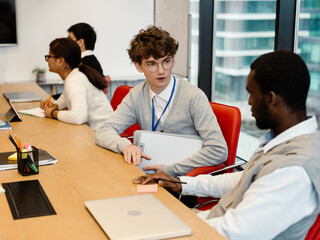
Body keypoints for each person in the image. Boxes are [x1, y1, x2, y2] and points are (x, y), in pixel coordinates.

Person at [135, 50, 320, 240]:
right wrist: (182, 184)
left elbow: (234, 232)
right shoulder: (288, 142)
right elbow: (244, 178)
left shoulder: (293, 171)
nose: (248, 102)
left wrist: (173, 223)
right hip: (211, 222)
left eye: (251, 94)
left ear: (270, 99)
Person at [95, 26, 227, 177]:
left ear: (173, 60)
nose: (161, 71)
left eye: (166, 61)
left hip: (184, 183)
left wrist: (170, 170)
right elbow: (104, 131)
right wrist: (125, 146)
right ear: (139, 66)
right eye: (152, 64)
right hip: (148, 173)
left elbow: (218, 150)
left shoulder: (193, 96)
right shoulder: (136, 95)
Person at [40, 38, 113, 130]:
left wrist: (53, 113)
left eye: (49, 56)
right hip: (95, 131)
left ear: (60, 61)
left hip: (102, 132)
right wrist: (54, 105)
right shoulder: (75, 75)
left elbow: (78, 117)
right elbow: (65, 97)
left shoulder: (75, 80)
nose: (47, 60)